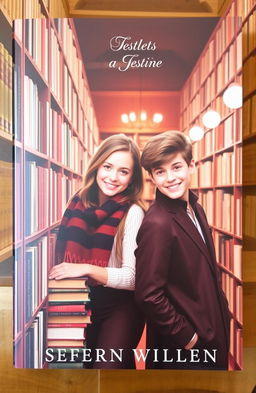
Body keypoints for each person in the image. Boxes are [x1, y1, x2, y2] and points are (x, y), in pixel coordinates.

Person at [135, 130, 231, 370]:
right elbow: (148, 294)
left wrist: (223, 313)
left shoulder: (196, 208)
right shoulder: (157, 223)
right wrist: (187, 337)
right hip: (183, 351)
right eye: (160, 171)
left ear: (191, 166)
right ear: (152, 177)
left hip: (212, 332)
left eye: (176, 167)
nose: (170, 178)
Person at [49, 134, 145, 369]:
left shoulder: (133, 212)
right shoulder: (76, 203)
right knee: (79, 371)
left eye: (123, 171)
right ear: (97, 166)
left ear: (132, 178)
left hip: (121, 306)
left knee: (108, 370)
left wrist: (86, 267)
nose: (113, 177)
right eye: (108, 167)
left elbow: (133, 278)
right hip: (79, 300)